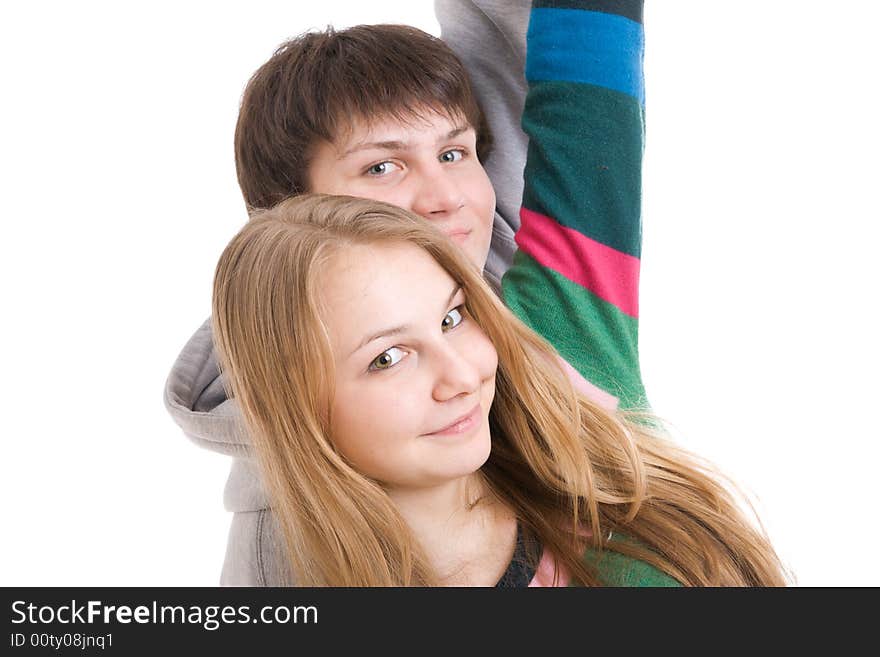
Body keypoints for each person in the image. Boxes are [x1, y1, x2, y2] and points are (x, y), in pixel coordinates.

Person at [165, 0, 733, 584]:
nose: (446, 197)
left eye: (454, 153)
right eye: (382, 168)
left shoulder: (560, 310)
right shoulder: (290, 551)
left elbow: (582, 92)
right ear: (293, 216)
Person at [211, 192, 787, 586]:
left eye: (453, 318)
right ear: (291, 406)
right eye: (388, 358)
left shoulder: (616, 499)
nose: (461, 377)